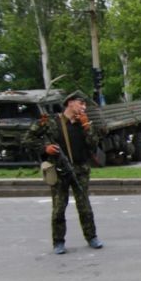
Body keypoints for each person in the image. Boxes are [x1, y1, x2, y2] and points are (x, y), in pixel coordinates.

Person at [24, 90, 103, 255]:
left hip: (80, 169)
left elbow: (93, 145)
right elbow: (28, 139)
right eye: (81, 103)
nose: (83, 107)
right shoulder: (51, 122)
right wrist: (45, 148)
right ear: (70, 103)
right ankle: (58, 242)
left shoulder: (85, 124)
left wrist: (87, 125)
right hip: (59, 170)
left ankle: (92, 237)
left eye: (84, 104)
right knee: (59, 208)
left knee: (85, 207)